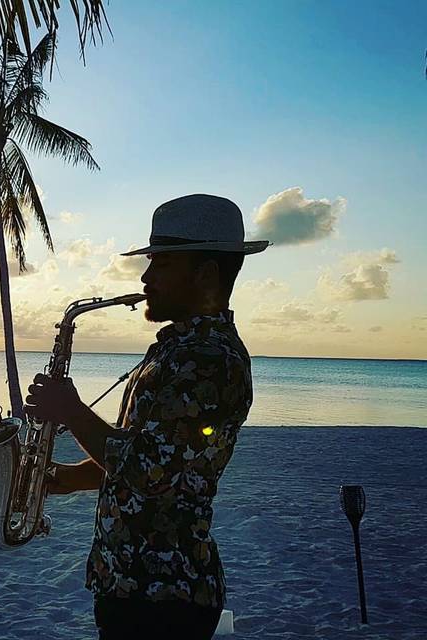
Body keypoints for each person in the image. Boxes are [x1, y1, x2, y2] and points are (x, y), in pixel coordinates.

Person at [25, 194, 269, 640]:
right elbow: (154, 457)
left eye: (161, 264)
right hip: (137, 587)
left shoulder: (207, 359)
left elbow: (148, 471)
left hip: (162, 598)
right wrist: (69, 477)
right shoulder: (179, 349)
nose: (145, 277)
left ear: (206, 274)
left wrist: (70, 411)